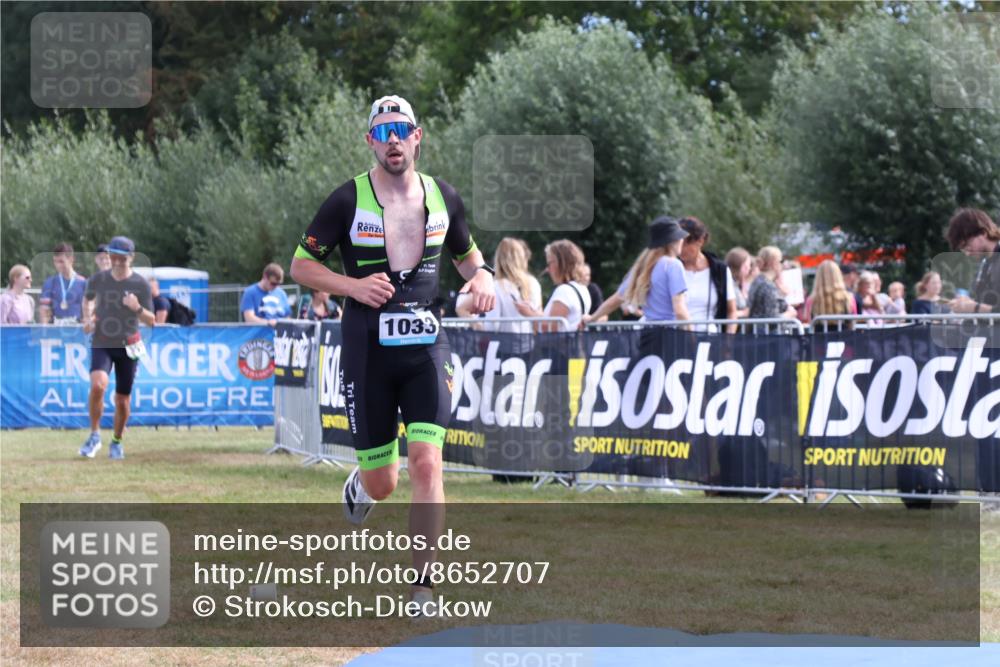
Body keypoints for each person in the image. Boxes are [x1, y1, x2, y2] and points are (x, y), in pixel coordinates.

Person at [289, 95, 494, 609]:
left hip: (427, 346)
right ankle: (362, 484)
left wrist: (485, 278)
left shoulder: (443, 196)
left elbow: (469, 259)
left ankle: (422, 586)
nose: (393, 141)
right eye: (383, 133)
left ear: (418, 136)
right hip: (367, 353)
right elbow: (301, 266)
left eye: (401, 130)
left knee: (428, 463)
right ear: (370, 143)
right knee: (385, 482)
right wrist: (351, 286)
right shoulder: (346, 200)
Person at [79, 236, 154, 460]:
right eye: (113, 256)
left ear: (130, 258)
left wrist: (137, 308)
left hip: (128, 345)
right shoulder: (98, 279)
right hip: (102, 341)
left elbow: (151, 320)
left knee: (122, 400)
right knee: (98, 386)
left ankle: (117, 441)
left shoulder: (140, 284)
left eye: (121, 257)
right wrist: (87, 319)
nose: (116, 261)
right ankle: (94, 435)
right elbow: (88, 300)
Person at [585, 216, 690, 325]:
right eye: (680, 237)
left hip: (647, 334)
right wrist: (691, 336)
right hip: (671, 334)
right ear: (673, 241)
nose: (682, 240)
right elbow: (680, 311)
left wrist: (592, 318)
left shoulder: (643, 267)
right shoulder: (673, 265)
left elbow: (616, 299)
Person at [514, 239, 591, 331]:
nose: (547, 269)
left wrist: (528, 313)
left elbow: (550, 327)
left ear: (561, 263)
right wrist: (533, 311)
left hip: (558, 345)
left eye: (549, 263)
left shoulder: (564, 291)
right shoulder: (582, 288)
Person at [678, 217, 737, 332]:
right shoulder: (670, 267)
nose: (680, 249)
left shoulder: (720, 270)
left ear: (700, 240)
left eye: (685, 244)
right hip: (675, 337)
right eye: (677, 243)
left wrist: (728, 345)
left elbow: (732, 311)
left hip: (709, 337)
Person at [946, 207, 1000, 314]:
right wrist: (967, 303)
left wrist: (974, 308)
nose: (967, 253)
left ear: (983, 233)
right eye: (963, 249)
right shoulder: (986, 264)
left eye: (967, 245)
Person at [484, 237, 542, 335]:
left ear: (498, 259)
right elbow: (540, 319)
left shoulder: (495, 286)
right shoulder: (534, 282)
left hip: (503, 346)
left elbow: (492, 326)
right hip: (529, 344)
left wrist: (476, 325)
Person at [39, 242, 87, 324]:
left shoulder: (83, 283)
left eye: (61, 261)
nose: (58, 265)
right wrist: (45, 331)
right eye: (55, 261)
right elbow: (44, 311)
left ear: (71, 259)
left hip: (76, 329)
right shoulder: (50, 283)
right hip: (55, 330)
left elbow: (87, 310)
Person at [803, 260, 858, 326]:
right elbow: (853, 323)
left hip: (819, 336)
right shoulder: (849, 298)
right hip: (844, 335)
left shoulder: (811, 300)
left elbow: (810, 323)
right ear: (838, 275)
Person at [748, 246, 796, 320]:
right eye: (781, 261)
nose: (782, 265)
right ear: (774, 263)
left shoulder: (757, 281)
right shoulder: (768, 286)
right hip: (767, 331)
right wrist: (789, 314)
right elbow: (772, 319)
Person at [725, 247, 753, 319]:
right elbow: (726, 312)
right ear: (741, 266)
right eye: (748, 265)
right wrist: (744, 313)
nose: (749, 268)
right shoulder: (728, 284)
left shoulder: (736, 283)